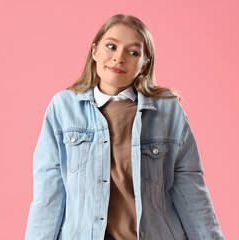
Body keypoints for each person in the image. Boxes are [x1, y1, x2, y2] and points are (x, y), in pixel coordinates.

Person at [25, 13, 224, 240]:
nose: (119, 58)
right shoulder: (62, 108)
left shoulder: (167, 111)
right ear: (95, 52)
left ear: (144, 64)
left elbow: (191, 188)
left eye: (133, 52)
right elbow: (48, 195)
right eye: (111, 47)